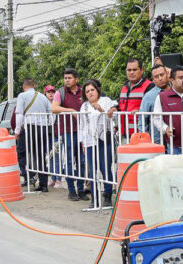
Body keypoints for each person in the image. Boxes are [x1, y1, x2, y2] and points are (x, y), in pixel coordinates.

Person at [52, 68, 91, 201]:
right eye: (65, 78)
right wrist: (70, 110)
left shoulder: (83, 91)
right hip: (68, 132)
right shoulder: (60, 92)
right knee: (69, 161)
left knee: (81, 161)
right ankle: (71, 191)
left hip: (83, 131)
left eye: (69, 78)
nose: (67, 80)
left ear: (76, 79)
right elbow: (54, 108)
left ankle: (80, 190)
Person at [78, 80, 117, 209]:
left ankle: (107, 195)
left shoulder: (106, 100)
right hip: (90, 141)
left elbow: (113, 115)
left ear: (97, 90)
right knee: (93, 170)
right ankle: (94, 198)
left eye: (92, 90)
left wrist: (102, 109)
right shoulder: (84, 106)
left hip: (104, 139)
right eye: (87, 91)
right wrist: (82, 142)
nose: (90, 93)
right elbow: (82, 125)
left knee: (105, 167)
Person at [15, 78, 52, 192]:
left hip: (30, 127)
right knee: (40, 156)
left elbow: (20, 114)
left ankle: (28, 177)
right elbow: (50, 114)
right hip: (43, 128)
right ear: (34, 85)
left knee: (22, 152)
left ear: (24, 86)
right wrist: (48, 127)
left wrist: (17, 131)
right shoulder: (42, 97)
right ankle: (43, 184)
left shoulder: (22, 96)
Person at [153, 66, 183, 156]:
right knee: (175, 170)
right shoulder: (162, 96)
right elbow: (156, 118)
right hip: (174, 146)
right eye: (181, 78)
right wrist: (165, 128)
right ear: (171, 79)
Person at [117, 58, 154, 141]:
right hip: (124, 135)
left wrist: (140, 110)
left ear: (141, 70)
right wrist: (114, 108)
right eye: (129, 70)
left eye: (134, 69)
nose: (131, 72)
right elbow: (119, 104)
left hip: (142, 135)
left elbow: (153, 108)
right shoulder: (124, 87)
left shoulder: (149, 86)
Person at [138, 64, 170, 143]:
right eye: (156, 76)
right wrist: (144, 140)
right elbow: (142, 120)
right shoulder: (148, 96)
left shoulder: (176, 90)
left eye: (162, 75)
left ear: (167, 74)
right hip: (157, 141)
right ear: (153, 79)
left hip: (175, 139)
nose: (160, 78)